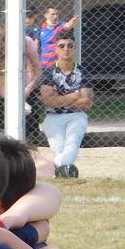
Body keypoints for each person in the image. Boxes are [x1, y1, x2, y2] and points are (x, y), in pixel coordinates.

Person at [39, 36, 93, 178]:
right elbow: (49, 102)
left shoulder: (82, 72)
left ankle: (62, 170)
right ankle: (66, 170)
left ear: (75, 48)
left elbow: (87, 103)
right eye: (62, 46)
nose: (66, 49)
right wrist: (75, 95)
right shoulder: (49, 72)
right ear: (56, 49)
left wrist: (59, 98)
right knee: (58, 147)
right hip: (52, 116)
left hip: (77, 116)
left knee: (72, 142)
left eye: (70, 45)